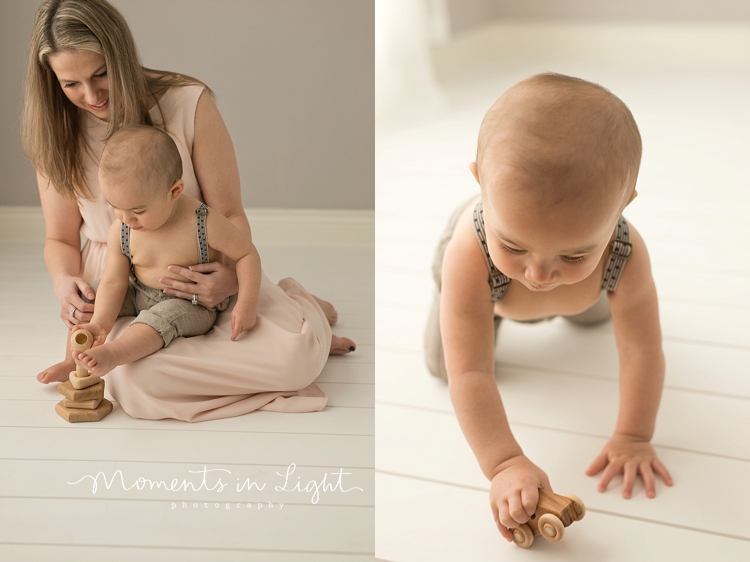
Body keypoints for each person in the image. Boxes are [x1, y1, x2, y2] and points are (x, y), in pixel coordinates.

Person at [24, 0, 354, 421]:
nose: (90, 96)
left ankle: (304, 311)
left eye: (100, 73)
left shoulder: (186, 101)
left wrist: (232, 278)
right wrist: (64, 283)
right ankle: (290, 333)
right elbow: (60, 237)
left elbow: (230, 214)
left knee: (295, 360)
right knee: (132, 380)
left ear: (120, 56)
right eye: (70, 84)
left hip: (204, 269)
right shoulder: (55, 132)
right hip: (117, 278)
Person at [424, 73, 673, 543]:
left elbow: (642, 351)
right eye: (514, 245)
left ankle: (577, 285)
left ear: (621, 207)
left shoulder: (626, 252)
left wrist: (634, 436)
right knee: (444, 365)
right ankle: (545, 257)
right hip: (486, 291)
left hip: (585, 282)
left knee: (598, 310)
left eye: (573, 253)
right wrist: (504, 463)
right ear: (481, 184)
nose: (538, 275)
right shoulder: (471, 250)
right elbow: (472, 372)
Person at [63, 124, 262, 377]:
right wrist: (100, 323)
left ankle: (115, 353)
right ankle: (72, 361)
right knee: (89, 297)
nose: (126, 219)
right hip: (138, 291)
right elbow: (114, 282)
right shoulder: (121, 228)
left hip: (190, 303)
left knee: (161, 318)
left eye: (138, 211)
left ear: (174, 191)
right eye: (116, 207)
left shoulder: (203, 221)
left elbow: (247, 254)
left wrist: (246, 304)